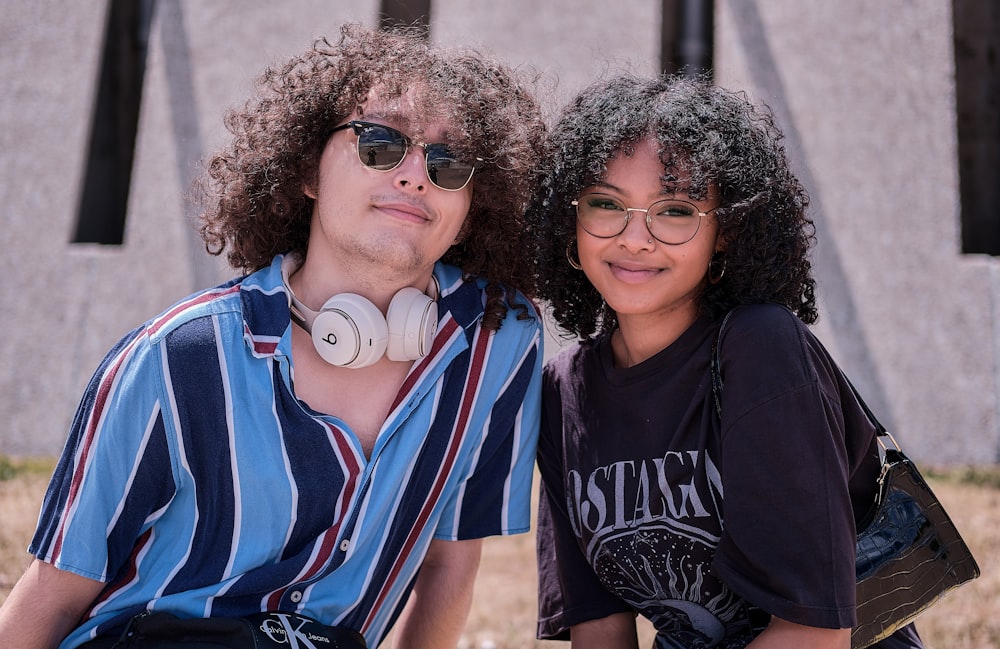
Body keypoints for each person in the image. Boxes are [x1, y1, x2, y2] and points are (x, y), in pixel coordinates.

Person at [0, 23, 545, 649]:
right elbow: (54, 588)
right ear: (307, 171)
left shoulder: (498, 338)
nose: (416, 175)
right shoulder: (177, 356)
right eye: (380, 143)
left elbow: (449, 565)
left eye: (449, 163)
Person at [530, 74, 923, 649]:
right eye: (607, 204)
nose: (634, 238)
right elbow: (599, 627)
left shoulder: (761, 348)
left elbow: (815, 633)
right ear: (572, 220)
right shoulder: (563, 391)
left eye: (675, 211)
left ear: (727, 234)